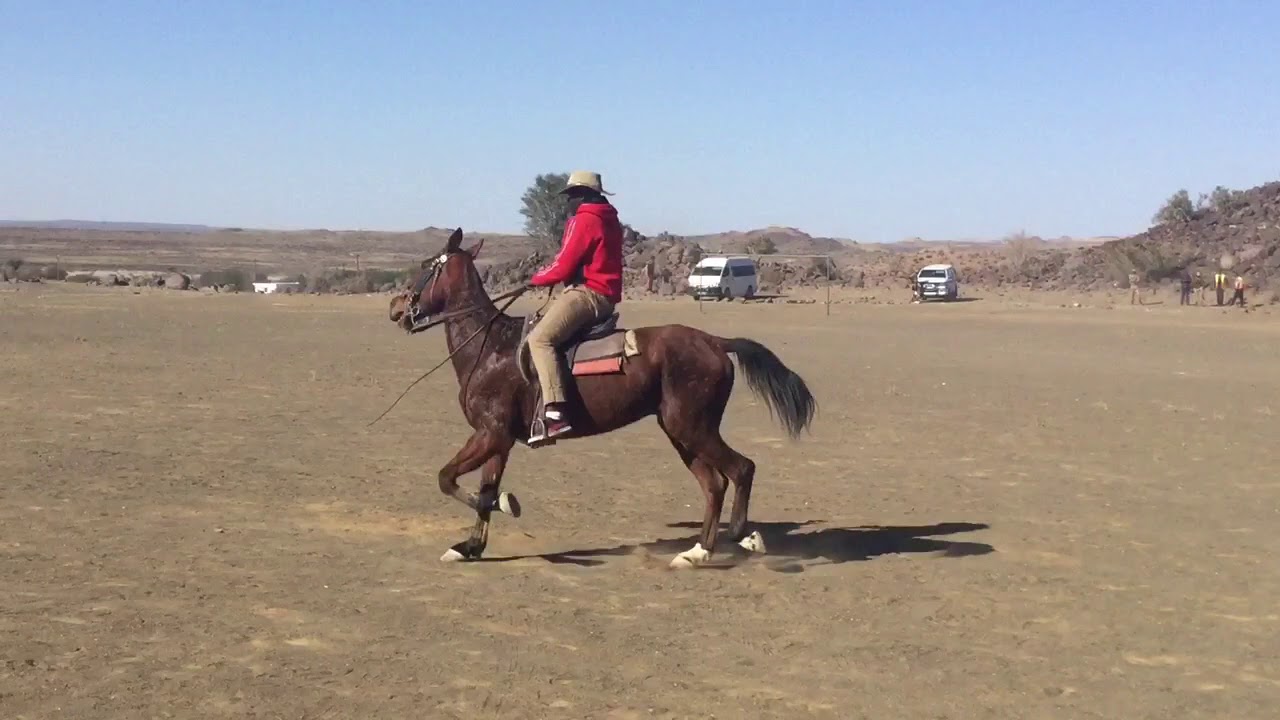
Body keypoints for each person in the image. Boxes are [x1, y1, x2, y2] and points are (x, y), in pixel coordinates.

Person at [525, 170, 624, 445]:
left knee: (540, 339)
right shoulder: (610, 218)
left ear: (583, 195)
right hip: (606, 295)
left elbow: (565, 264)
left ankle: (556, 412)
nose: (568, 202)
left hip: (588, 293)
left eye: (571, 195)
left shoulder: (585, 220)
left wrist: (535, 279)